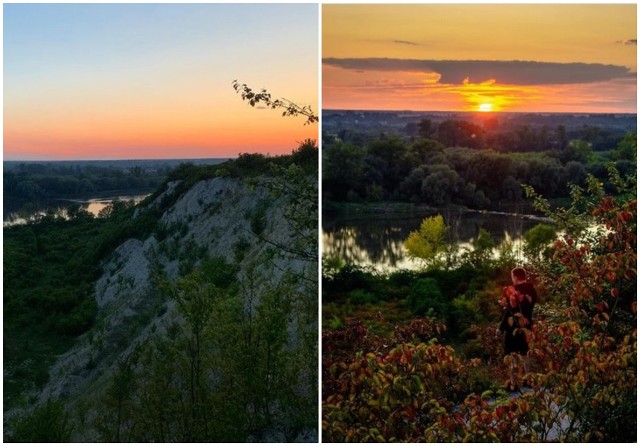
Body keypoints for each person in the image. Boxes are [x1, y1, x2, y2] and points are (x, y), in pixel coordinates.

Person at [496, 267, 537, 390]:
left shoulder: (512, 291)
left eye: (512, 277)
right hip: (526, 325)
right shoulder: (532, 291)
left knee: (511, 353)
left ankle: (514, 383)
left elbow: (509, 312)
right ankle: (529, 380)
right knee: (526, 353)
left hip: (512, 327)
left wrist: (500, 328)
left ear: (515, 277)